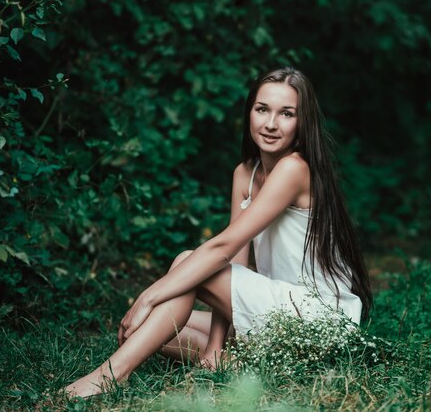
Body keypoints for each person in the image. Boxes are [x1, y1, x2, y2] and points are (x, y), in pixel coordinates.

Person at [64, 67, 373, 398]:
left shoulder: (294, 169)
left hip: (318, 320)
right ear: (249, 113)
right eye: (262, 109)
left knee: (179, 273)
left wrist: (147, 296)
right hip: (278, 305)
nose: (271, 124)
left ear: (302, 125)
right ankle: (225, 360)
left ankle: (111, 375)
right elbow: (234, 264)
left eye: (286, 114)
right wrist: (214, 342)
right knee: (149, 328)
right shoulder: (245, 172)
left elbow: (222, 248)